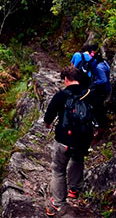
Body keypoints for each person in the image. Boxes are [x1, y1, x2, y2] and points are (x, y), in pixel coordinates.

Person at [44, 65, 95, 216]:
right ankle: (74, 188)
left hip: (64, 139)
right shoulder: (89, 94)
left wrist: (48, 123)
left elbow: (49, 116)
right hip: (83, 139)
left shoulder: (61, 96)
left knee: (58, 169)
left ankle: (59, 203)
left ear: (66, 79)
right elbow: (100, 116)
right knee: (78, 159)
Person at [71, 43, 111, 128]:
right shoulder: (98, 61)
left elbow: (72, 68)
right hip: (92, 84)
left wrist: (94, 83)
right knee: (93, 103)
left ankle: (90, 121)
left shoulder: (77, 55)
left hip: (84, 83)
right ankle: (97, 122)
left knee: (86, 101)